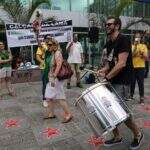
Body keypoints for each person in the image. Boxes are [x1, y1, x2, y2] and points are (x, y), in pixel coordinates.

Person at [97, 17, 143, 149]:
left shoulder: (123, 39)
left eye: (109, 24)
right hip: (111, 80)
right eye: (106, 24)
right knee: (109, 110)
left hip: (122, 81)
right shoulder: (108, 43)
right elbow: (109, 64)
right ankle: (117, 136)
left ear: (117, 26)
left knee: (122, 113)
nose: (107, 26)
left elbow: (122, 63)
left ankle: (138, 134)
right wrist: (102, 71)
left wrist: (107, 77)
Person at [44, 38, 73, 123]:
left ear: (55, 45)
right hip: (52, 78)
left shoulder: (57, 53)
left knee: (60, 97)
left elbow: (59, 65)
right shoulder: (53, 53)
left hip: (55, 79)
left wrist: (54, 76)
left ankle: (68, 114)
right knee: (48, 96)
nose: (48, 46)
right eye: (47, 44)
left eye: (49, 45)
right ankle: (51, 114)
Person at [130, 34, 148, 104]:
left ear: (140, 38)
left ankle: (141, 98)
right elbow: (132, 55)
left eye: (139, 37)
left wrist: (141, 53)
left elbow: (146, 57)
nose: (137, 38)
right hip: (133, 66)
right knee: (132, 82)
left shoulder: (144, 46)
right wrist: (135, 47)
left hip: (141, 66)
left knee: (141, 83)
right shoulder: (132, 46)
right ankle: (131, 95)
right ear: (134, 38)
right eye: (136, 37)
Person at [36, 35, 52, 107]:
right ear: (45, 39)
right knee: (45, 84)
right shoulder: (42, 45)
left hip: (52, 67)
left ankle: (50, 97)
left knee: (52, 83)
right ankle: (44, 99)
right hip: (44, 67)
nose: (49, 39)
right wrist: (42, 62)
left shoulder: (52, 45)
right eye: (48, 38)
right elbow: (37, 57)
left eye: (50, 38)